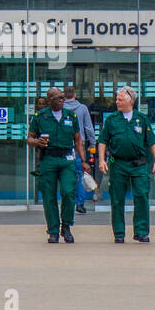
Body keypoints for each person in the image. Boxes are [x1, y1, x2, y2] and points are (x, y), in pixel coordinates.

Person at [97, 85, 155, 244]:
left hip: (139, 164)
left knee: (141, 196)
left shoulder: (142, 119)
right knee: (117, 199)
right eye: (117, 99)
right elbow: (103, 141)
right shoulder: (111, 119)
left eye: (120, 99)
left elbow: (151, 141)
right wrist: (102, 160)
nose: (117, 102)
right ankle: (119, 233)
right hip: (118, 164)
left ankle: (141, 231)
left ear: (130, 100)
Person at [26, 87, 88, 244]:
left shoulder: (70, 116)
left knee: (68, 192)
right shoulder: (40, 117)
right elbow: (29, 139)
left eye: (62, 97)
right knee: (49, 196)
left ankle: (66, 226)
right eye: (59, 98)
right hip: (49, 159)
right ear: (50, 100)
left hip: (67, 159)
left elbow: (78, 140)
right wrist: (37, 142)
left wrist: (83, 160)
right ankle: (53, 230)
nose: (62, 100)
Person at [62, 86, 96, 216]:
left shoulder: (60, 108)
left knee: (65, 175)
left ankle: (68, 202)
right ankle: (80, 204)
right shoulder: (82, 108)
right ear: (75, 95)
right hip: (79, 147)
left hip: (63, 147)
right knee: (80, 174)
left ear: (64, 96)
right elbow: (88, 128)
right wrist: (92, 144)